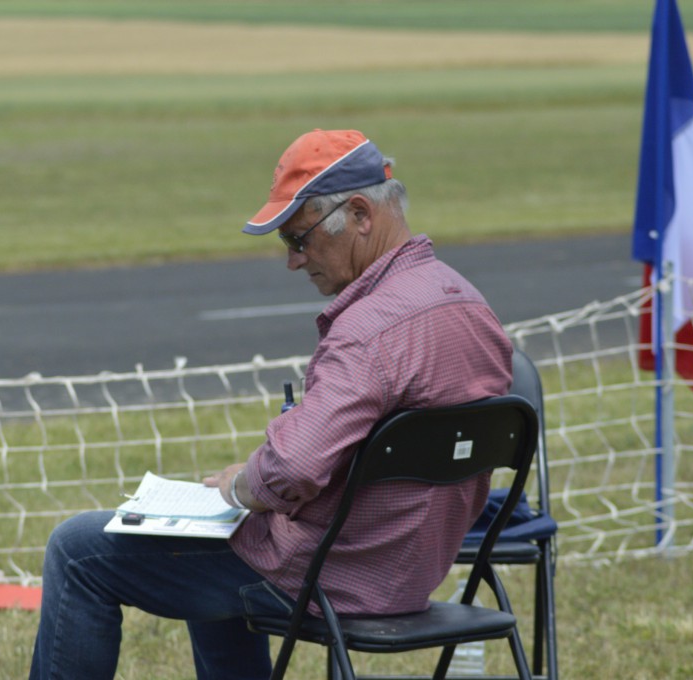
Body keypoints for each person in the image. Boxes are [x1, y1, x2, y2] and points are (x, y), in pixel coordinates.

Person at [29, 129, 512, 679]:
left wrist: (240, 484)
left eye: (298, 239)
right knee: (224, 543)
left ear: (360, 214)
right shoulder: (470, 304)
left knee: (77, 549)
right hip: (415, 569)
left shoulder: (368, 332)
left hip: (328, 575)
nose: (293, 261)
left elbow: (295, 468)